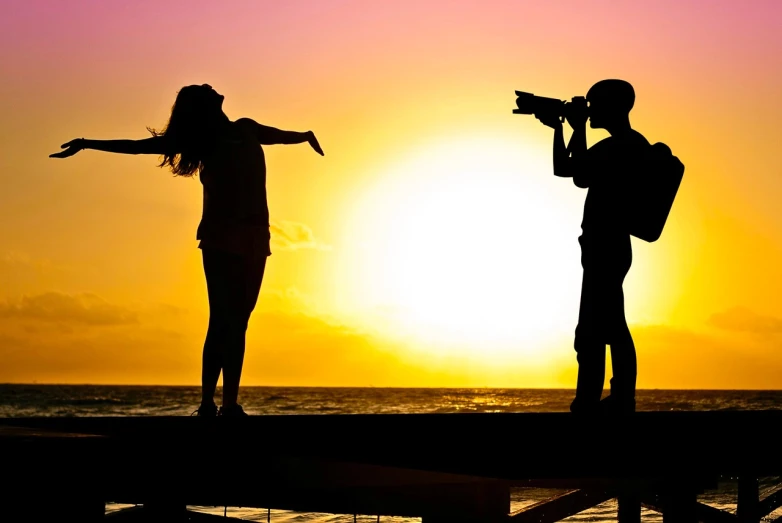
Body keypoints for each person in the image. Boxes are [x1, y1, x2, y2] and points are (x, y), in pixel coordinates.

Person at [50, 84, 324, 417]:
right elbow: (138, 147)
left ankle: (230, 403)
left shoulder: (247, 128)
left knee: (239, 323)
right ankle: (208, 402)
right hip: (220, 235)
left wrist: (305, 135)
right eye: (205, 91)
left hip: (256, 236)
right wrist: (86, 144)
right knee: (221, 319)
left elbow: (279, 135)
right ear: (202, 106)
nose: (213, 87)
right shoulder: (201, 140)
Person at [536, 79, 648, 414]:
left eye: (593, 104)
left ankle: (602, 399)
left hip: (607, 246)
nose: (588, 108)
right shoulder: (623, 144)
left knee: (598, 329)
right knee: (605, 326)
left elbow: (577, 173)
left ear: (612, 107)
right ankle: (608, 397)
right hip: (605, 246)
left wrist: (574, 126)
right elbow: (570, 169)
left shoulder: (623, 146)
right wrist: (561, 128)